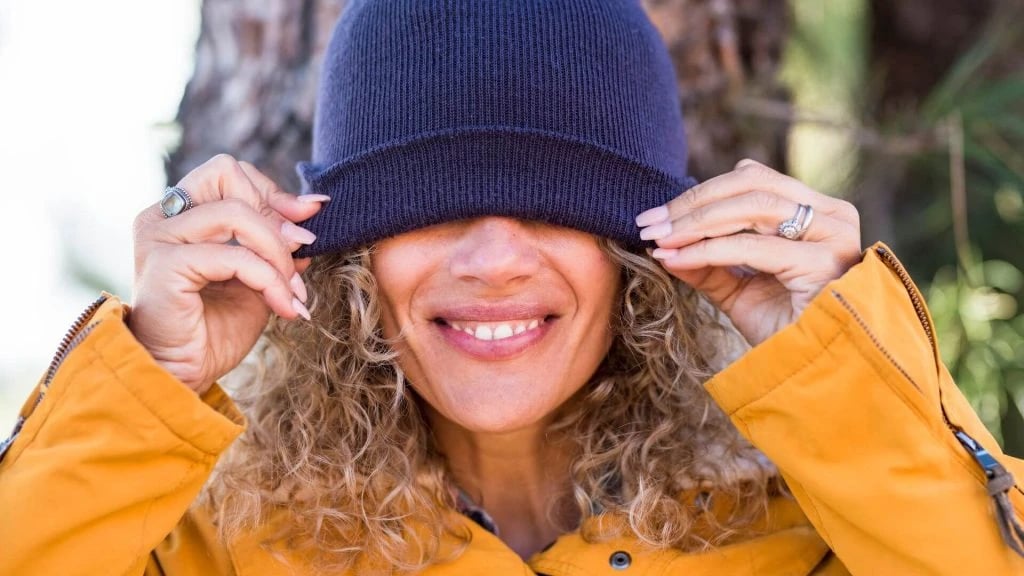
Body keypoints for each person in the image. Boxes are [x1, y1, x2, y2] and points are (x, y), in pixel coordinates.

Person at [2, 1, 1023, 574]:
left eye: (552, 206)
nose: (493, 258)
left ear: (639, 247)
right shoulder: (211, 541)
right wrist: (154, 376)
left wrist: (852, 370)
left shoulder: (809, 529)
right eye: (431, 207)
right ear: (351, 253)